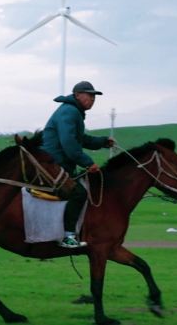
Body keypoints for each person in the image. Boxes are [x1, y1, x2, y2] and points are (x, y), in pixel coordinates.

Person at [41, 81, 114, 248]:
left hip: (57, 162)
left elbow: (81, 139)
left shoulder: (73, 111)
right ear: (77, 95)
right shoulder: (70, 112)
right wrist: (88, 163)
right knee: (78, 193)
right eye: (89, 95)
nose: (92, 99)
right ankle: (68, 236)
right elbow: (69, 144)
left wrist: (103, 142)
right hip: (54, 163)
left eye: (94, 97)